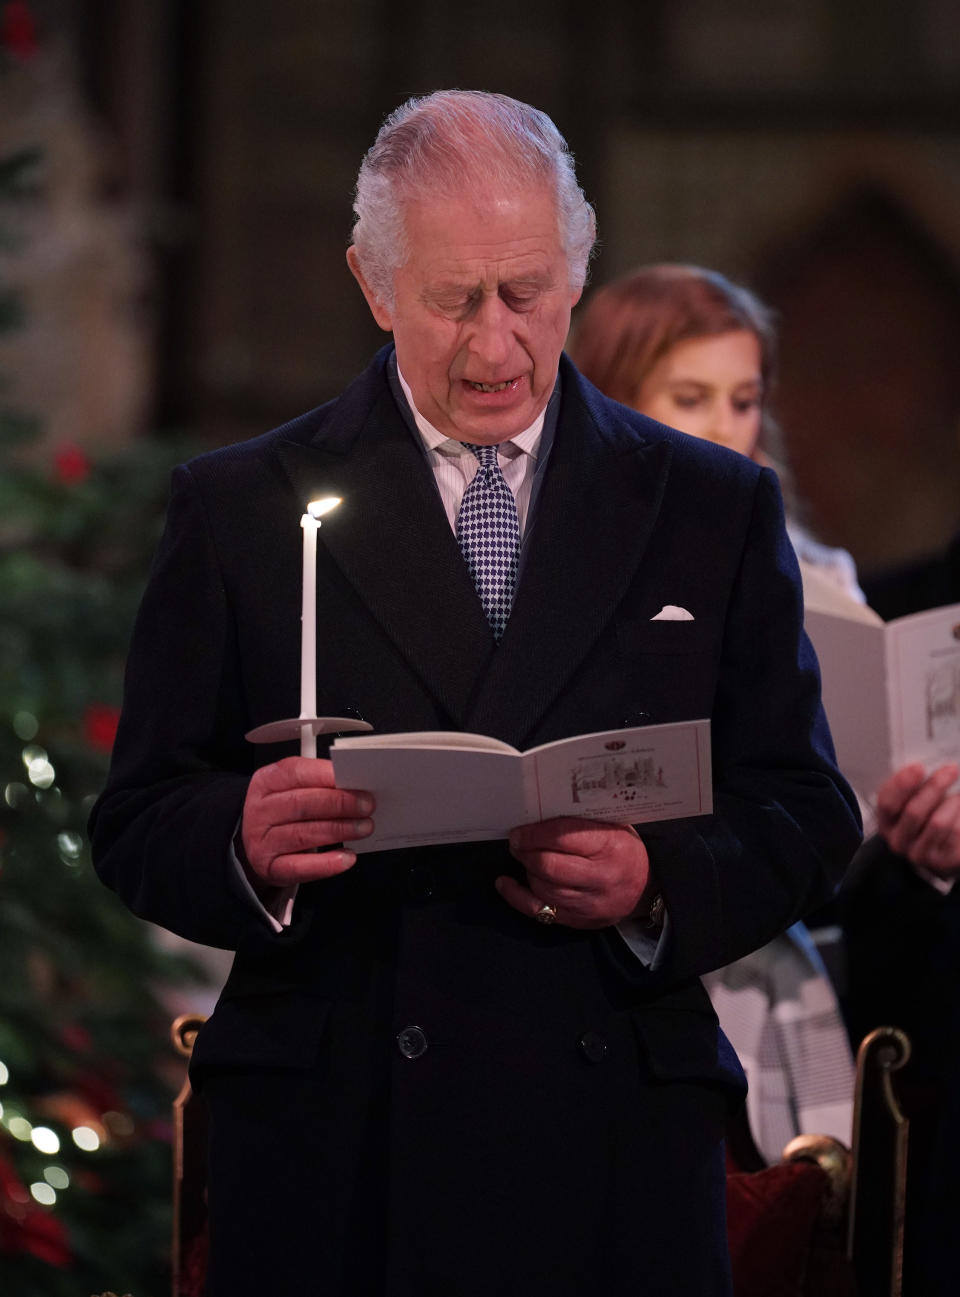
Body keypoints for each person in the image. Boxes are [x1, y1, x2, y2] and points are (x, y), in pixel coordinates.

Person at [88, 93, 861, 1297]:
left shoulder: (709, 507)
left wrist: (658, 882)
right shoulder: (244, 504)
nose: (496, 346)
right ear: (373, 283)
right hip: (339, 1142)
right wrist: (237, 838)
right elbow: (137, 820)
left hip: (613, 1139)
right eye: (455, 300)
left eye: (528, 293)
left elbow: (805, 812)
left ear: (580, 267)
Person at [569, 264, 859, 1164]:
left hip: (771, 946)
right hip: (611, 953)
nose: (721, 427)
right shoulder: (569, 557)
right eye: (688, 396)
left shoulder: (813, 571)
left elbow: (815, 802)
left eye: (742, 400)